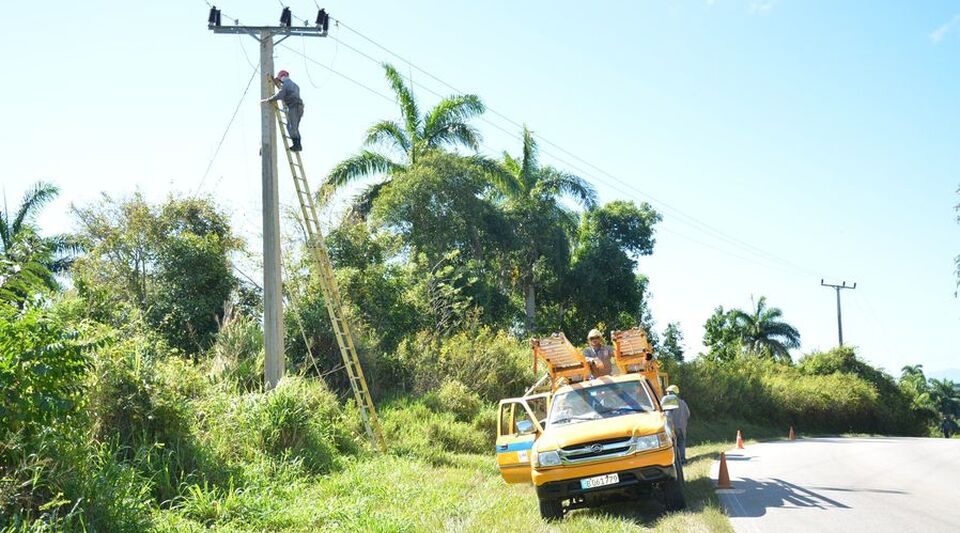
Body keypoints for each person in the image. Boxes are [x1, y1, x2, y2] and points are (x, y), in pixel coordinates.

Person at [261, 70, 304, 151]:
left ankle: (297, 145)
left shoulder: (287, 84)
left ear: (282, 77)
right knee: (293, 127)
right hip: (299, 108)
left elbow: (281, 94)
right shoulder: (295, 85)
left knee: (291, 127)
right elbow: (287, 93)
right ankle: (297, 144)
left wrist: (269, 99)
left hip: (294, 107)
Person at [665, 384, 691, 465]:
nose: (667, 394)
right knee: (681, 442)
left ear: (673, 393)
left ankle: (676, 460)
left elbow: (666, 416)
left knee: (673, 444)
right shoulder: (683, 403)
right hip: (681, 427)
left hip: (672, 427)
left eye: (669, 393)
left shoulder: (668, 404)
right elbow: (688, 414)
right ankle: (682, 459)